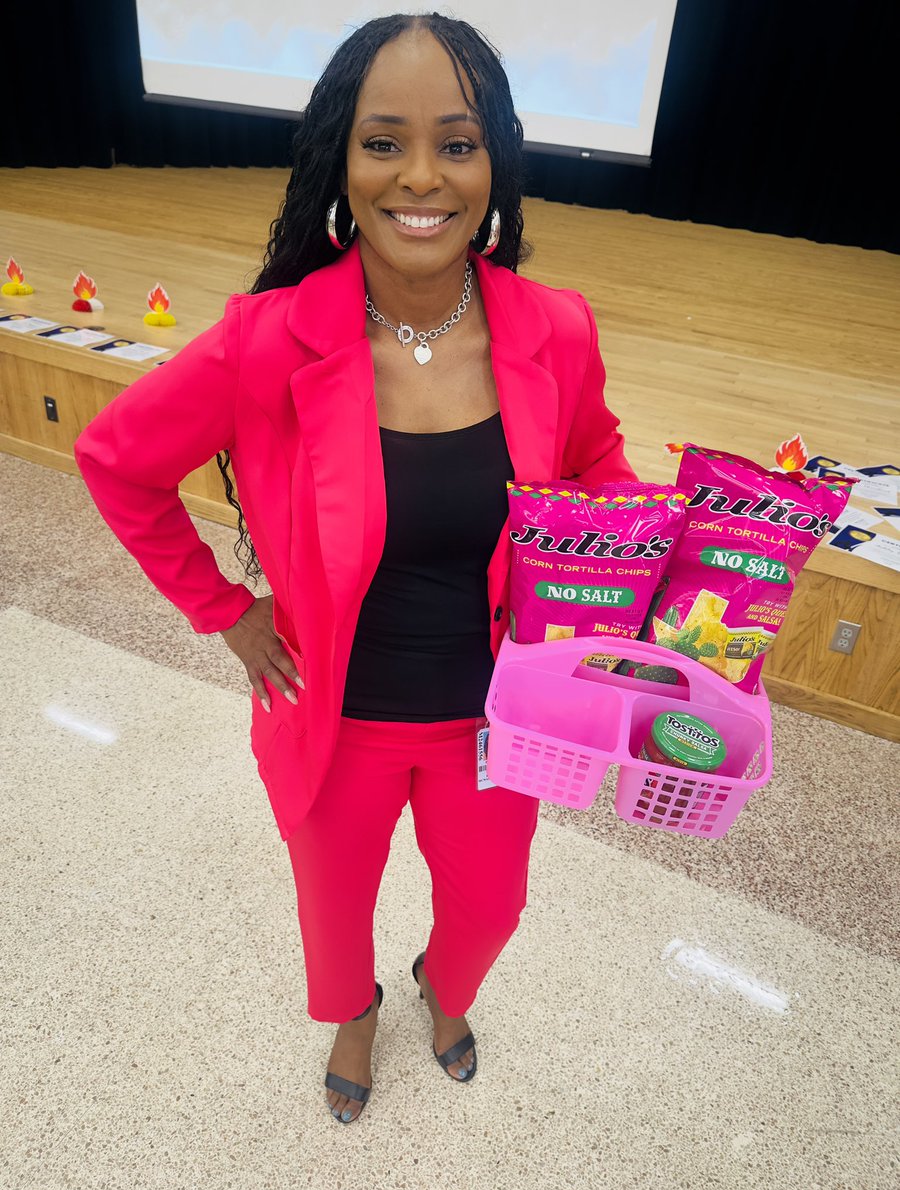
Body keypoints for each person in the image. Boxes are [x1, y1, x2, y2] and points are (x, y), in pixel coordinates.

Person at [74, 13, 634, 1126]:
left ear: (497, 163)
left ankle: (442, 985)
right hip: (334, 716)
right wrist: (226, 613)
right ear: (340, 157)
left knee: (489, 913)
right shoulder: (266, 339)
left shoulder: (555, 330)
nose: (420, 176)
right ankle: (355, 1012)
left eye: (457, 143)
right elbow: (116, 462)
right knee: (332, 918)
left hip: (495, 724)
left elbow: (596, 465)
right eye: (383, 142)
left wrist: (642, 576)